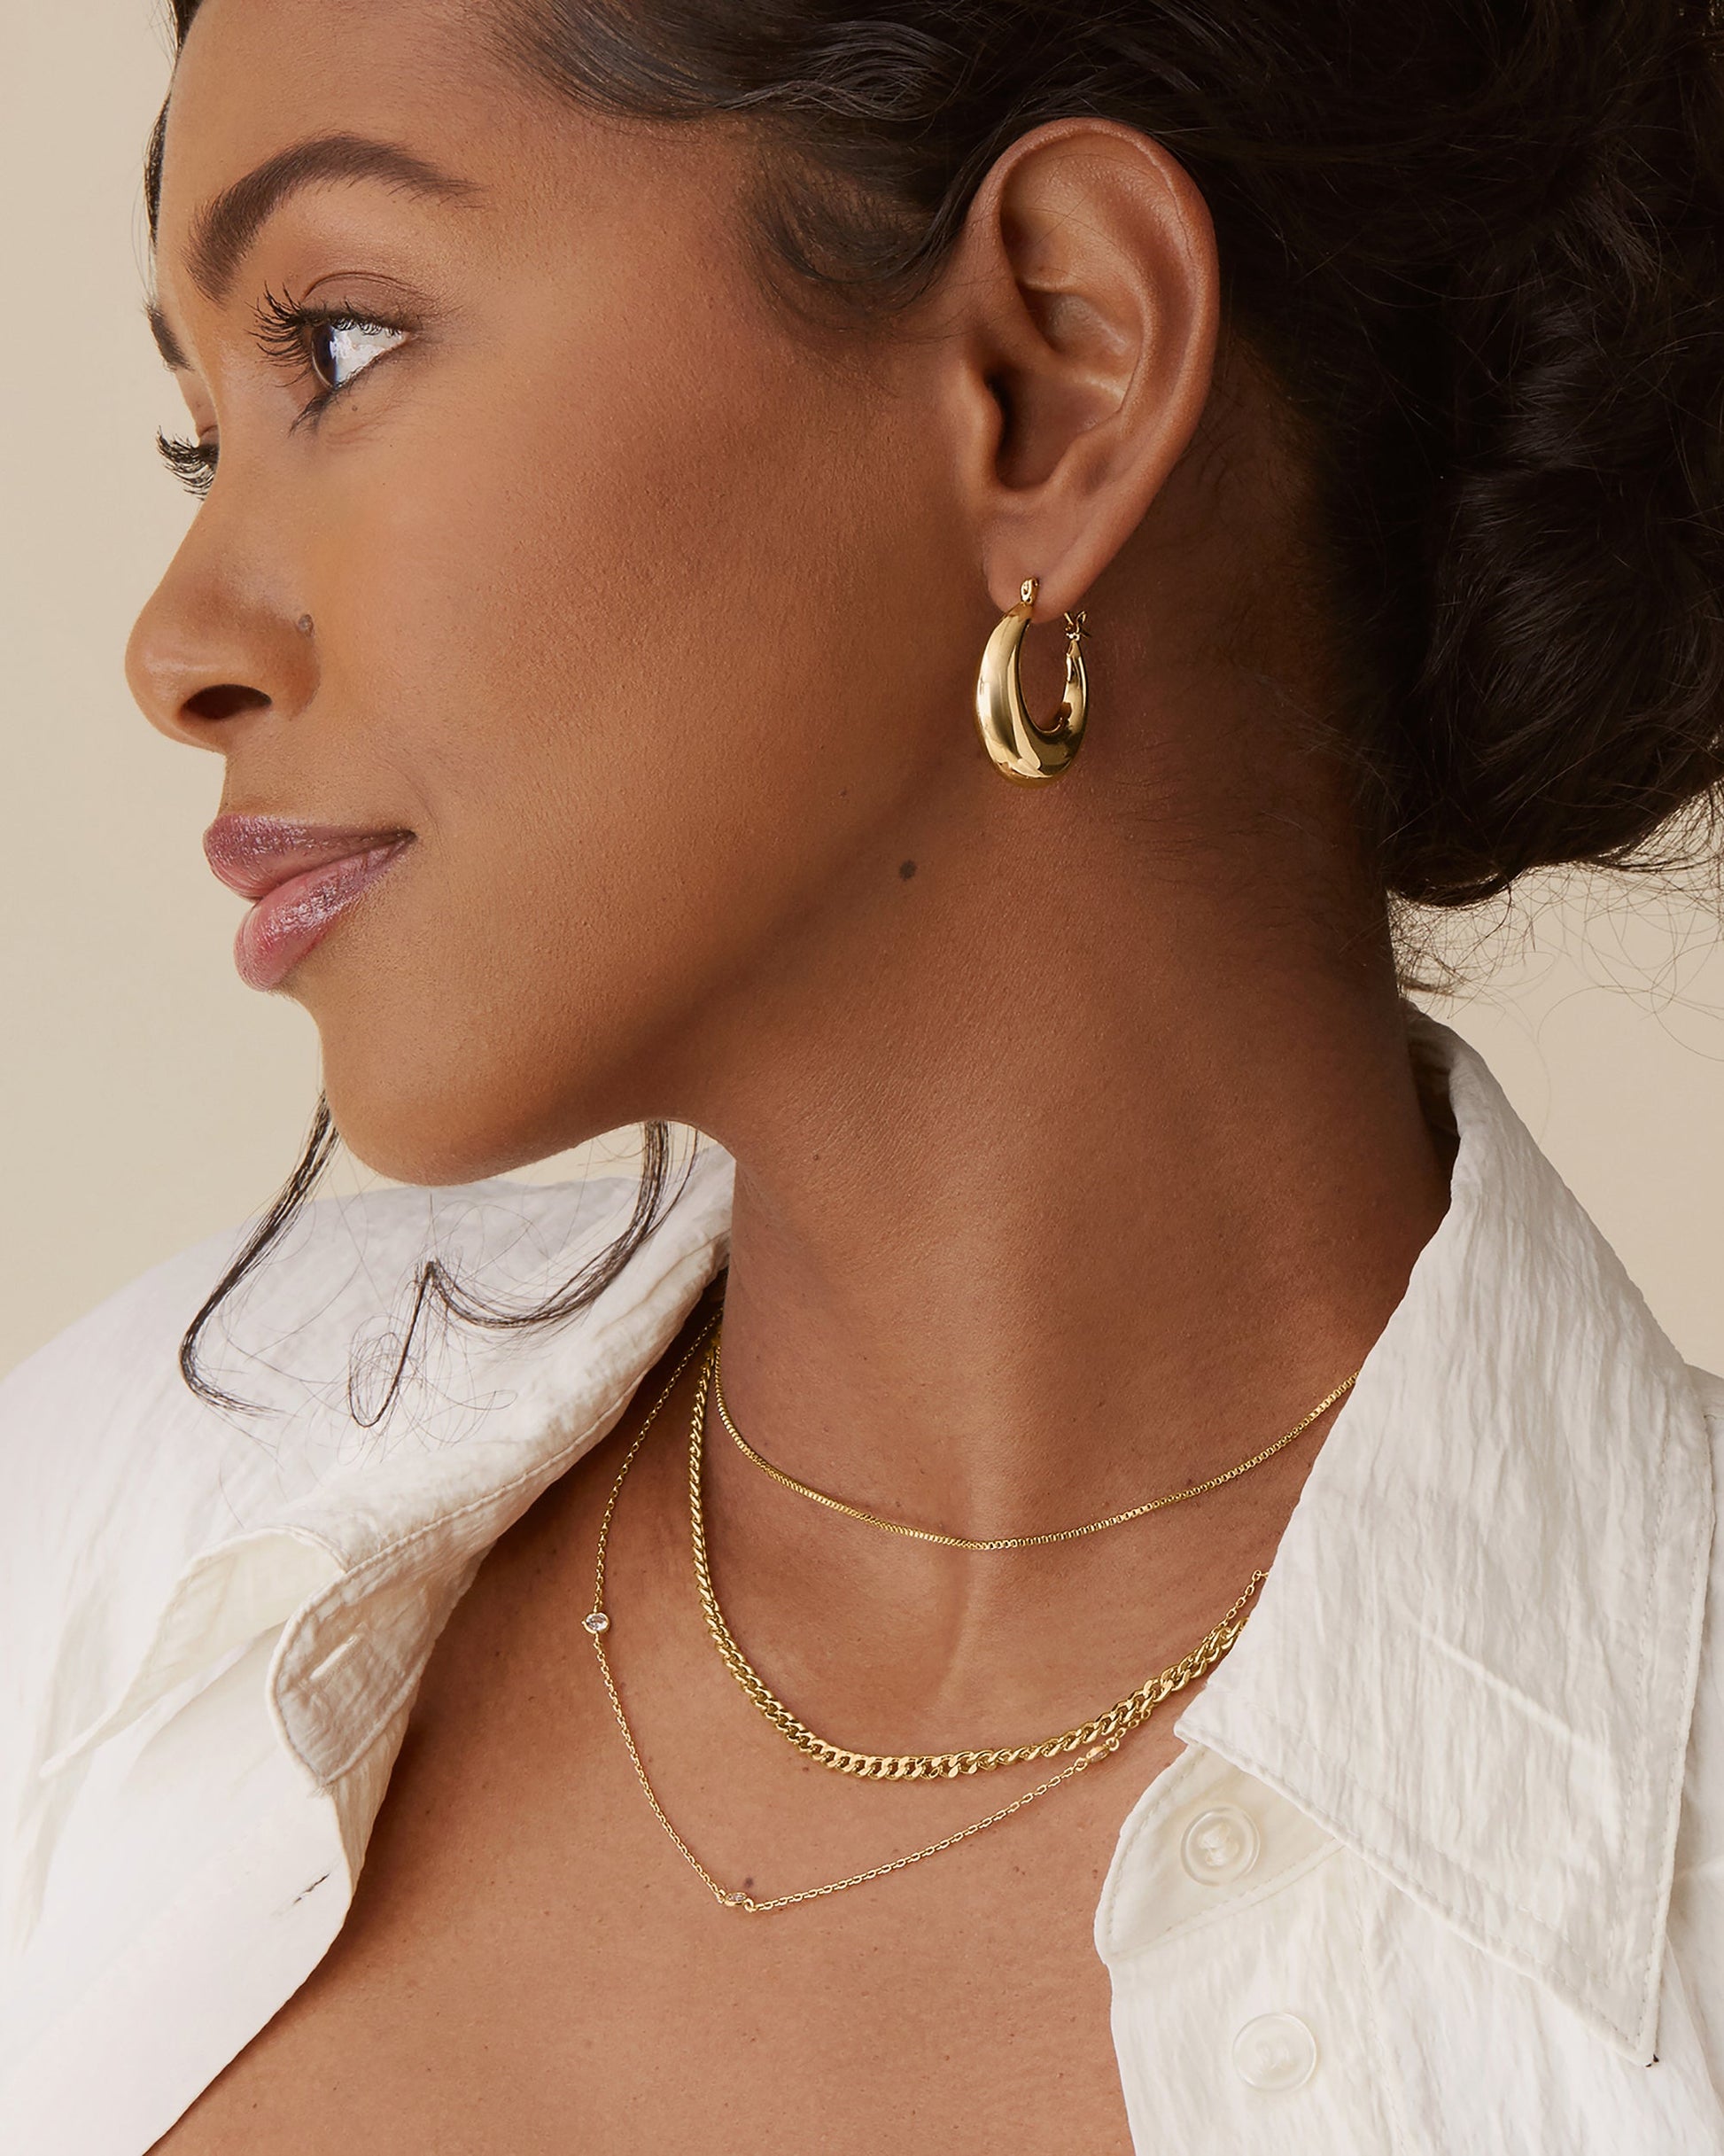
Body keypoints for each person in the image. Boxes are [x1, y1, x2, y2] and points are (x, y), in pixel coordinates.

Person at [4, 0, 1724, 2146]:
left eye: (340, 349)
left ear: (1052, 369)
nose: (177, 645)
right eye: (205, 440)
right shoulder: (104, 1555)